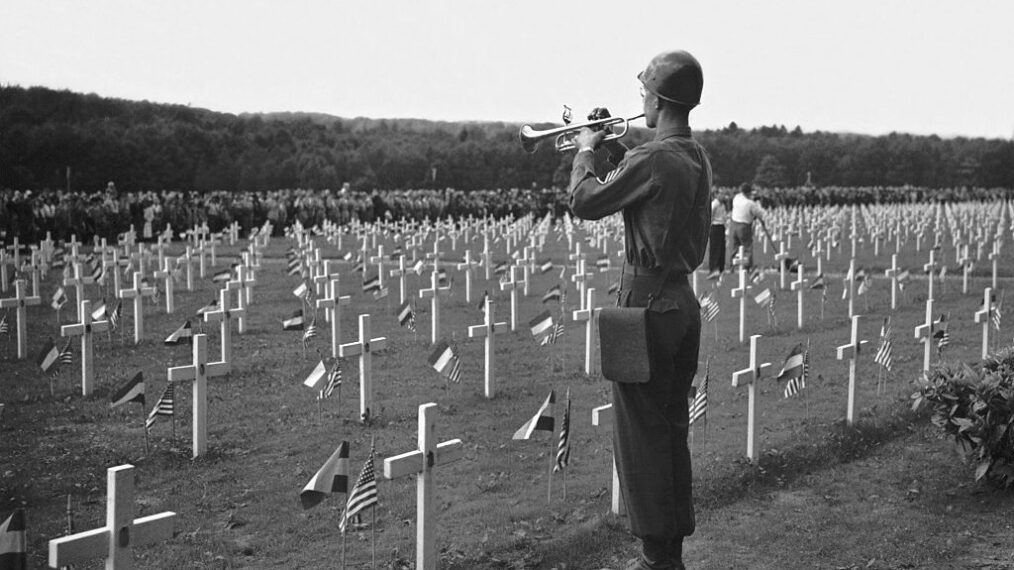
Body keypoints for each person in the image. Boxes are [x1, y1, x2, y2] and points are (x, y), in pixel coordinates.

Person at [569, 50, 710, 570]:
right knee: (670, 431)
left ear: (660, 97)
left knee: (641, 440)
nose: (641, 100)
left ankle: (657, 558)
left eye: (645, 92)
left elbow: (585, 202)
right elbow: (645, 176)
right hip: (680, 304)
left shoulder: (652, 159)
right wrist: (616, 149)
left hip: (645, 309)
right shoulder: (692, 155)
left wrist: (585, 151)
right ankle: (669, 549)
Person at [729, 183, 765, 270]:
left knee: (735, 247)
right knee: (747, 247)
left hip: (734, 224)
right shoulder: (750, 203)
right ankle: (747, 266)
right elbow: (760, 213)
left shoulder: (736, 198)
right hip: (744, 226)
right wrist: (758, 203)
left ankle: (732, 266)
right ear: (748, 193)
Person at [708, 187, 728, 277]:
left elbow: (724, 216)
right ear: (717, 195)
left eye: (724, 194)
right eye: (721, 194)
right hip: (715, 226)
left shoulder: (723, 205)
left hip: (721, 226)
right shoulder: (714, 204)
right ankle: (713, 268)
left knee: (721, 248)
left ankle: (721, 267)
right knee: (715, 249)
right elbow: (709, 216)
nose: (723, 196)